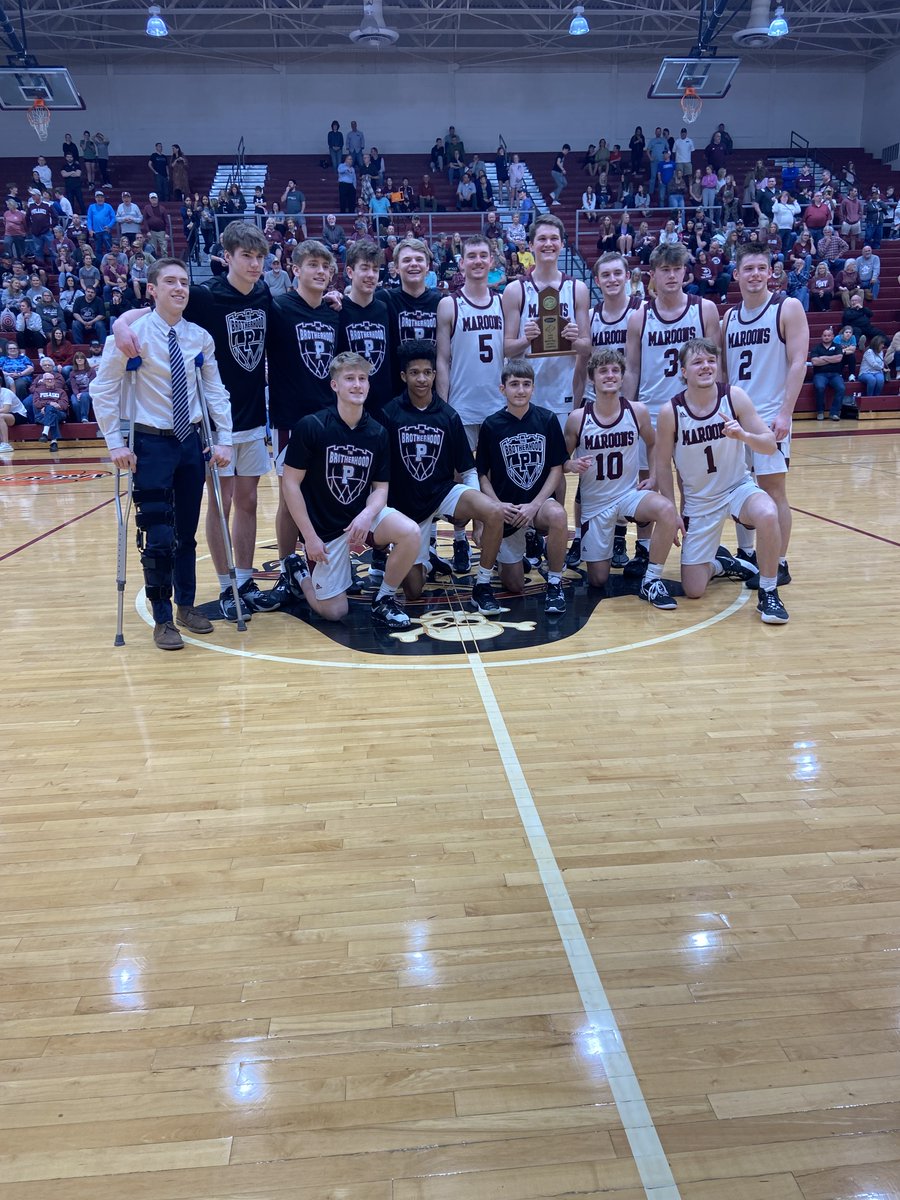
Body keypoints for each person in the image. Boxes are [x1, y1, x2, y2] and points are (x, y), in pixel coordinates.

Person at [92, 257, 232, 650]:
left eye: (184, 282)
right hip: (150, 443)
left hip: (191, 441)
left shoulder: (200, 338)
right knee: (158, 533)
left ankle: (187, 604)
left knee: (186, 531)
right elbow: (103, 389)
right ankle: (163, 617)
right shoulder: (129, 335)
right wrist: (115, 443)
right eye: (170, 281)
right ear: (152, 289)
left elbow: (216, 390)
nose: (180, 288)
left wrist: (225, 439)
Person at [280, 351, 417, 631]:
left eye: (363, 379)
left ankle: (384, 600)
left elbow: (381, 489)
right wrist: (309, 538)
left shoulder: (377, 433)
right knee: (334, 611)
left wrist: (368, 514)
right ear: (335, 385)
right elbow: (290, 484)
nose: (357, 385)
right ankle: (300, 574)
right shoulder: (312, 426)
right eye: (350, 378)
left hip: (359, 519)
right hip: (325, 530)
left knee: (410, 532)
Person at [655, 338, 788, 625]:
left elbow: (769, 445)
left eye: (710, 361)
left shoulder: (735, 397)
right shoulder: (670, 412)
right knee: (693, 589)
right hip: (700, 502)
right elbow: (662, 465)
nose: (706, 367)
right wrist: (672, 509)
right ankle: (722, 564)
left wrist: (744, 436)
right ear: (683, 371)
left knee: (767, 512)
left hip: (737, 488)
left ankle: (769, 592)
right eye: (697, 362)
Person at [381, 340, 504, 609]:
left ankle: (481, 585)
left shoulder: (448, 415)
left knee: (493, 512)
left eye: (427, 372)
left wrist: (476, 518)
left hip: (442, 493)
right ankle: (424, 558)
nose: (422, 379)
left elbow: (468, 469)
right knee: (413, 591)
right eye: (414, 373)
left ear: (435, 374)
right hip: (407, 506)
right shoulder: (389, 414)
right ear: (404, 376)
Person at [622, 242, 720, 574]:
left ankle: (699, 542)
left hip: (693, 410)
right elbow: (632, 369)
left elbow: (714, 361)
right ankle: (645, 546)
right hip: (650, 409)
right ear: (653, 275)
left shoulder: (703, 309)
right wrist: (628, 409)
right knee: (647, 478)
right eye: (665, 269)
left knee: (693, 480)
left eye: (677, 269)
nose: (672, 275)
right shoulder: (640, 316)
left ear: (685, 272)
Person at [564, 349, 680, 608]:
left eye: (615, 370)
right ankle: (594, 547)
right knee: (597, 579)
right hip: (595, 506)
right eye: (603, 370)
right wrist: (571, 464)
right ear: (592, 377)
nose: (610, 375)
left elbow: (654, 444)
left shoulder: (637, 411)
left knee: (666, 509)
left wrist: (652, 478)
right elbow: (560, 461)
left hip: (628, 496)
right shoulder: (577, 419)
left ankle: (651, 580)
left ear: (622, 376)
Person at [721, 244, 808, 584]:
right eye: (749, 268)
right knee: (738, 488)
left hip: (771, 416)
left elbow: (799, 362)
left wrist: (786, 412)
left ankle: (780, 562)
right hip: (737, 418)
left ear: (771, 272)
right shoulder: (729, 317)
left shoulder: (787, 307)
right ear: (737, 274)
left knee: (773, 490)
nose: (755, 274)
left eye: (761, 267)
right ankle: (747, 555)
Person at [267, 239, 341, 602]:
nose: (320, 271)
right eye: (313, 264)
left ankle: (321, 564)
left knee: (319, 493)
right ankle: (285, 567)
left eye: (325, 266)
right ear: (295, 269)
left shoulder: (332, 312)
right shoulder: (278, 308)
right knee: (287, 497)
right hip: (289, 420)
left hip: (327, 417)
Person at [435, 234, 506, 573]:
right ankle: (461, 540)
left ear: (492, 262)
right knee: (459, 476)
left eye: (483, 255)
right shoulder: (450, 304)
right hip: (462, 405)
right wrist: (445, 406)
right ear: (461, 263)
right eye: (471, 256)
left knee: (492, 474)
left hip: (496, 404)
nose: (478, 261)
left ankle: (496, 536)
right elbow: (443, 359)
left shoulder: (504, 302)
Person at [476, 358, 569, 614]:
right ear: (502, 389)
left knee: (558, 516)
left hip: (535, 506)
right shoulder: (491, 425)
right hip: (507, 508)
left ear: (533, 388)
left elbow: (556, 469)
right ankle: (512, 554)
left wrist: (535, 505)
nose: (520, 390)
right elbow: (482, 473)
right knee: (515, 586)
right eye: (514, 384)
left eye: (526, 384)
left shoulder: (547, 419)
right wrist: (496, 506)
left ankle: (554, 583)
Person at [338, 239, 392, 419]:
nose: (371, 275)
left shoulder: (386, 309)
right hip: (347, 409)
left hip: (383, 407)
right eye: (365, 268)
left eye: (375, 269)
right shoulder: (336, 310)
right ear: (350, 272)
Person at [810, 327, 846, 421]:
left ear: (833, 336)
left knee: (841, 388)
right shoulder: (816, 348)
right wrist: (831, 359)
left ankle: (834, 413)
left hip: (835, 374)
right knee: (819, 387)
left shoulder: (838, 346)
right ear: (822, 336)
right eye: (825, 335)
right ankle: (820, 412)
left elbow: (838, 359)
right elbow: (815, 362)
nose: (826, 337)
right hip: (820, 374)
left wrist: (823, 357)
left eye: (829, 335)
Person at [31, 365, 70, 451]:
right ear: (43, 381)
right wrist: (49, 403)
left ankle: (45, 433)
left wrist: (50, 406)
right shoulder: (38, 391)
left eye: (51, 379)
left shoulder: (61, 391)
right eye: (47, 379)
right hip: (41, 415)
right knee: (52, 414)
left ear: (55, 381)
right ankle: (54, 442)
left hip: (60, 414)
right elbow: (36, 403)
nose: (50, 380)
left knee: (50, 409)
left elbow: (64, 405)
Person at [0, 379, 27, 451]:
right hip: (7, 415)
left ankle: (6, 444)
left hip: (20, 415)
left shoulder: (6, 393)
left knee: (0, 417)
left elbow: (6, 409)